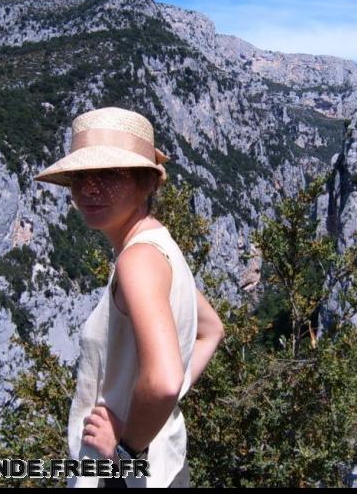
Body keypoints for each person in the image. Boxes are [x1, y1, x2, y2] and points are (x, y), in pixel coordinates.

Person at [33, 106, 225, 488]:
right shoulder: (160, 247)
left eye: (110, 174)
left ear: (148, 183)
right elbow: (212, 330)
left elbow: (165, 381)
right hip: (166, 464)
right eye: (81, 176)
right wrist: (156, 414)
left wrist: (126, 449)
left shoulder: (137, 260)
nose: (90, 188)